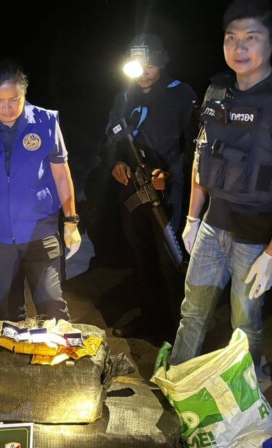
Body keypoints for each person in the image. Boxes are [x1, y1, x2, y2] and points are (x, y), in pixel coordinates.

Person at [170, 0, 272, 372]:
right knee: (191, 312)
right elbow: (203, 157)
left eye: (251, 38)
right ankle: (177, 379)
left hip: (256, 235)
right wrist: (192, 218)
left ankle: (247, 390)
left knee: (245, 324)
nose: (239, 48)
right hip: (212, 226)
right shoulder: (217, 91)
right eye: (231, 38)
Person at [0, 58, 80, 322]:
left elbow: (61, 175)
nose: (7, 108)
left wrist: (71, 222)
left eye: (14, 99)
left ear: (24, 92)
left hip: (41, 233)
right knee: (10, 318)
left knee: (54, 312)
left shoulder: (46, 121)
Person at [105, 34, 197, 339]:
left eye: (151, 65)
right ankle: (150, 319)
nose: (144, 72)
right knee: (142, 258)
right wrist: (117, 162)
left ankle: (178, 331)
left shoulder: (181, 94)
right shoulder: (125, 96)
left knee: (171, 261)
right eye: (138, 66)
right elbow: (111, 137)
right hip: (133, 189)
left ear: (162, 63)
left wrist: (170, 175)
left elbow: (194, 146)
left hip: (169, 193)